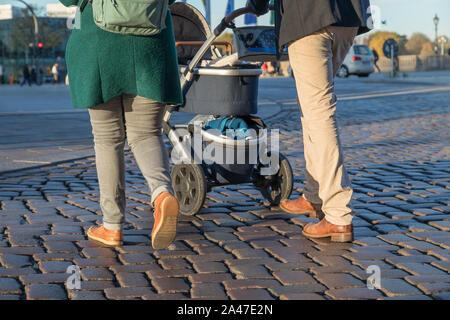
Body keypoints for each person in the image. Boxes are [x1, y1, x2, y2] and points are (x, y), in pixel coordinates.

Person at [60, 0, 182, 249]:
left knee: (107, 138)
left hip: (98, 42)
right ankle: (161, 194)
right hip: (152, 41)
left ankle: (112, 226)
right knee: (147, 132)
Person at [247, 0, 371, 242]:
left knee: (319, 113)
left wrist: (257, 4)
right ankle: (314, 195)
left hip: (308, 18)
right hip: (347, 16)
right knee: (313, 109)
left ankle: (337, 214)